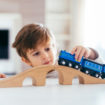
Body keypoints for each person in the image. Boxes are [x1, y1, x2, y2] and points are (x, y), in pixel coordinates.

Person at [12, 23, 99, 77]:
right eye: (36, 53)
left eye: (47, 49)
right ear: (26, 60)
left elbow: (99, 67)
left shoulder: (69, 64)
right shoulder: (28, 77)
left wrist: (90, 53)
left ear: (55, 47)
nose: (45, 56)